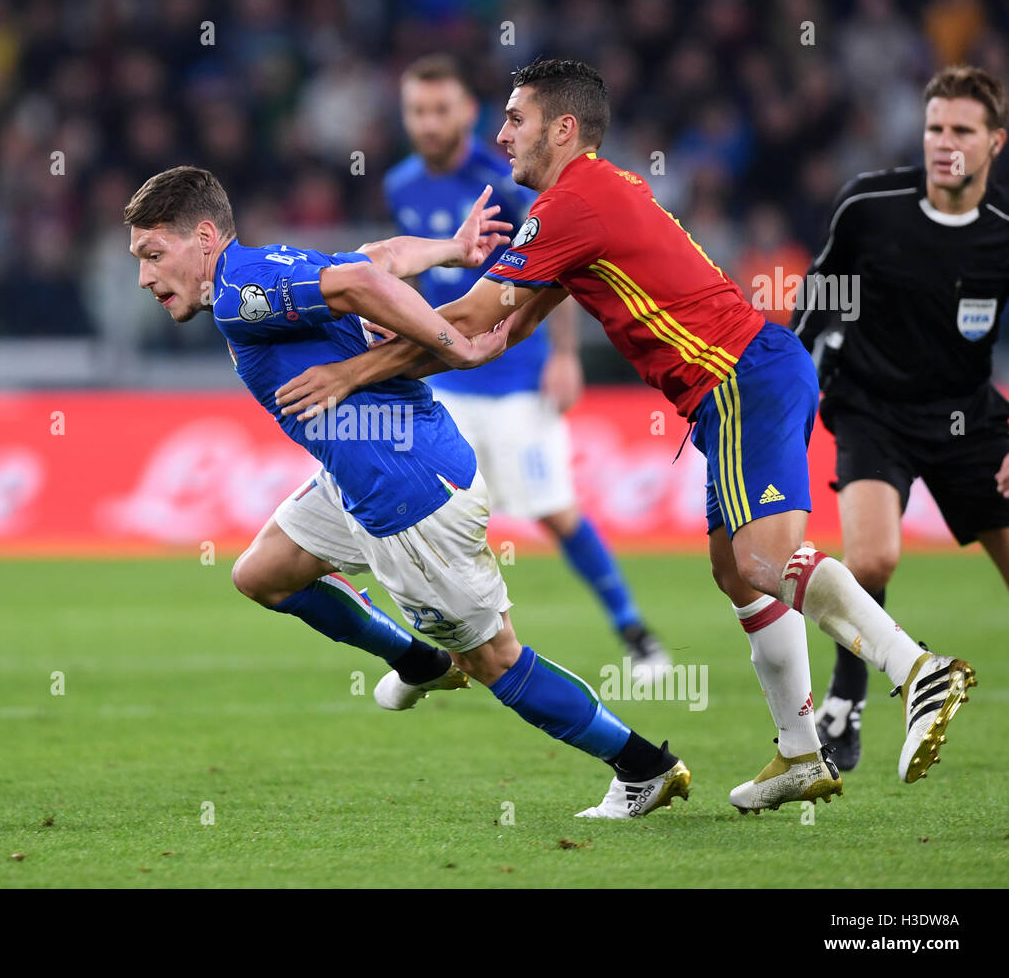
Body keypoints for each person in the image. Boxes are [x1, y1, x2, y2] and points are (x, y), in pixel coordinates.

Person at [276, 59, 977, 813]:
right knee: (737, 573)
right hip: (733, 388)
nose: (501, 132)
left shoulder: (571, 202)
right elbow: (499, 330)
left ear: (563, 128)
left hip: (742, 378)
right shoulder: (587, 199)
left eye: (515, 118)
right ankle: (801, 754)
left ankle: (917, 669)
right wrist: (430, 341)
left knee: (763, 559)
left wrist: (355, 372)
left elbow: (475, 315)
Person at [123, 164, 692, 819]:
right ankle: (418, 661)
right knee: (263, 574)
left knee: (493, 659)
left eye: (152, 254)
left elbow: (363, 280)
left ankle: (643, 764)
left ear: (202, 238)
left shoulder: (238, 293)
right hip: (364, 477)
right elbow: (375, 259)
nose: (144, 276)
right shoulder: (265, 263)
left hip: (408, 495)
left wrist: (458, 345)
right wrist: (453, 248)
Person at [386, 53, 669, 678]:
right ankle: (455, 646)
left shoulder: (511, 172)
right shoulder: (400, 183)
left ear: (466, 111)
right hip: (446, 373)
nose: (429, 123)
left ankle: (635, 632)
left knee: (554, 509)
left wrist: (564, 355)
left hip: (516, 370)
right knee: (429, 509)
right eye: (416, 110)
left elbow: (554, 261)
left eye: (441, 109)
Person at [795, 64, 1008, 770]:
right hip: (871, 407)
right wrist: (790, 387)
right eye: (935, 128)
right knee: (873, 557)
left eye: (962, 130)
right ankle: (847, 703)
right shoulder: (870, 205)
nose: (945, 142)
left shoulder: (1003, 233)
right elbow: (821, 298)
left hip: (966, 414)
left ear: (994, 143)